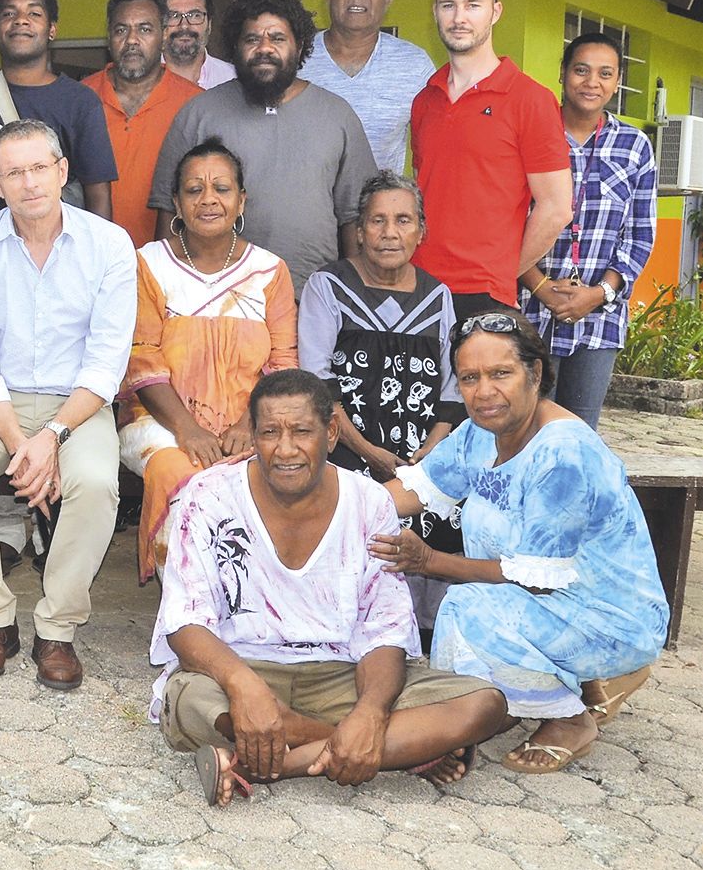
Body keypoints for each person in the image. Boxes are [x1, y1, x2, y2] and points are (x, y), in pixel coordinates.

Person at [154, 369, 509, 807]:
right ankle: (398, 748)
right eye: (269, 433)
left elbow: (385, 629)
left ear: (332, 432)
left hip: (343, 676)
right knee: (193, 699)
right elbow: (184, 622)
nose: (285, 449)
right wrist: (245, 687)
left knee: (484, 704)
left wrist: (371, 711)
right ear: (253, 436)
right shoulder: (207, 496)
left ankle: (277, 762)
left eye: (302, 431)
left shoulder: (369, 501)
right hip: (241, 667)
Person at [376, 311, 667, 775]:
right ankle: (559, 686)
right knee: (468, 612)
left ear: (535, 373)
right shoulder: (479, 432)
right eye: (470, 377)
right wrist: (332, 514)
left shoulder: (564, 454)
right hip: (543, 607)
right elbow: (411, 492)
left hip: (611, 618)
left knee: (465, 610)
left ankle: (570, 718)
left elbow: (535, 581)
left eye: (501, 373)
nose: (484, 391)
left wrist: (430, 560)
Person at [0, 120, 135, 689]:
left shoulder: (109, 245)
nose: (30, 182)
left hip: (78, 405)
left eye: (40, 167)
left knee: (96, 482)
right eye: (14, 172)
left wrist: (54, 438)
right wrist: (24, 448)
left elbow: (107, 362)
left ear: (63, 172)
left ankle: (57, 628)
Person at [121, 139, 297, 582]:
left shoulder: (270, 271)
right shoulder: (148, 264)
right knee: (179, 472)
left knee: (268, 474)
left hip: (250, 420)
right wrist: (188, 430)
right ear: (176, 202)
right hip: (159, 421)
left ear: (241, 201)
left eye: (221, 188)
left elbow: (282, 365)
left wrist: (248, 425)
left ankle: (248, 598)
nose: (208, 199)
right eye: (194, 189)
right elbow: (142, 361)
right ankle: (189, 601)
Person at [299, 172, 462, 630]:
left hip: (420, 453)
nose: (390, 233)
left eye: (403, 220)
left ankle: (423, 628)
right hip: (347, 444)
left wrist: (433, 449)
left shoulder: (437, 297)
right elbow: (318, 382)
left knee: (443, 507)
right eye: (377, 221)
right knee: (346, 512)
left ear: (421, 231)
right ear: (359, 230)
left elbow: (452, 386)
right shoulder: (329, 286)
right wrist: (368, 452)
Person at [150, 0, 375, 298]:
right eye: (252, 39)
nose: (264, 48)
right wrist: (164, 291)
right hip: (213, 298)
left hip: (311, 296)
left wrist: (354, 298)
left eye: (278, 39)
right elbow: (168, 211)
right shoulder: (198, 114)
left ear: (299, 48)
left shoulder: (338, 115)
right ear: (235, 47)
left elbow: (355, 218)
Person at [410, 0, 571, 322]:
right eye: (448, 5)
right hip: (418, 287)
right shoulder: (425, 100)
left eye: (473, 5)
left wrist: (500, 272)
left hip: (485, 296)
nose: (459, 17)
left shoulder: (530, 100)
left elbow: (557, 208)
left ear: (495, 11)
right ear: (435, 10)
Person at [519, 32, 658, 427]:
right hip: (528, 311)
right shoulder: (531, 135)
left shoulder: (634, 147)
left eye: (605, 73)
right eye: (581, 70)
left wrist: (600, 294)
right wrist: (541, 288)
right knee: (520, 433)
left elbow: (640, 234)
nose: (591, 82)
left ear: (617, 82)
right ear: (563, 74)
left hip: (599, 320)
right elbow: (506, 224)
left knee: (579, 437)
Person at [0, 0, 116, 222]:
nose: (21, 20)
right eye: (9, 13)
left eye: (34, 13)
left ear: (52, 30)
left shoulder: (80, 102)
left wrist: (94, 256)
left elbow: (98, 195)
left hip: (56, 250)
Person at [81, 0, 201, 249]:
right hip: (90, 264)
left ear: (163, 35)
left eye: (144, 29)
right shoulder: (79, 99)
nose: (132, 40)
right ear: (109, 36)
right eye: (121, 30)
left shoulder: (195, 105)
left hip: (170, 266)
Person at [299, 0, 437, 172]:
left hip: (381, 206)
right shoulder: (295, 58)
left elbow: (430, 153)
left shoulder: (414, 65)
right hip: (309, 205)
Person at [161, 0, 234, 89]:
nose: (184, 25)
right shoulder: (138, 82)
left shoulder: (233, 79)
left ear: (209, 25)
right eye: (173, 16)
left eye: (195, 15)